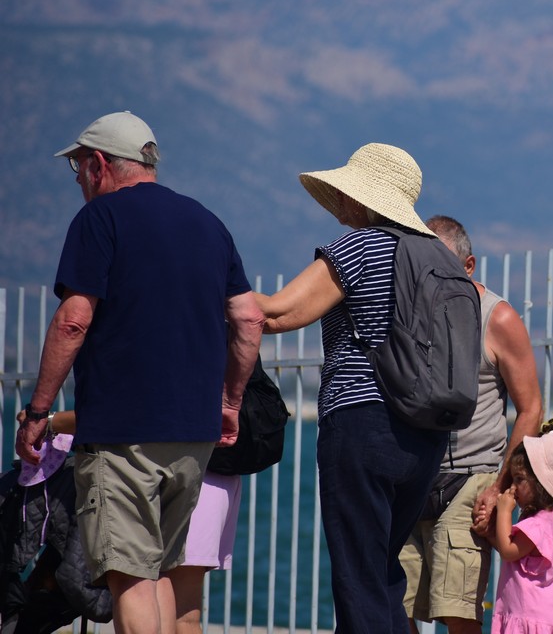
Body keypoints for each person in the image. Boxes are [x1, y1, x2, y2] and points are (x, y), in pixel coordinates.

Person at [15, 111, 263, 634]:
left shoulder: (99, 220)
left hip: (123, 433)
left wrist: (39, 411)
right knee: (159, 575)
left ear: (100, 164)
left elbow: (73, 321)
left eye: (79, 168)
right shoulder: (207, 223)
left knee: (129, 577)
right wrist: (231, 402)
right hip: (193, 436)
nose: (79, 179)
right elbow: (248, 316)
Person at [255, 143, 453, 633]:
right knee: (382, 575)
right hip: (426, 434)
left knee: (359, 580)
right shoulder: (439, 258)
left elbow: (278, 313)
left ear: (365, 199)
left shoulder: (360, 246)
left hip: (363, 422)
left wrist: (205, 289)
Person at [401, 214, 543, 634]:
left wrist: (501, 490)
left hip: (470, 479)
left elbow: (530, 408)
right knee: (397, 607)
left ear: (469, 266)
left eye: (442, 268)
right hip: (411, 479)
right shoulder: (409, 314)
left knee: (458, 613)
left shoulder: (497, 318)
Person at [20, 410, 239, 634]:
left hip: (149, 462)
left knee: (134, 580)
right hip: (200, 464)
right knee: (178, 603)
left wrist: (48, 419)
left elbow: (126, 408)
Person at [484, 426, 553, 634]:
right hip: (533, 618)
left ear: (541, 484)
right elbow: (516, 553)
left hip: (527, 619)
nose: (513, 488)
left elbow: (508, 551)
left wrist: (504, 511)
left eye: (519, 479)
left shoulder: (539, 525)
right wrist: (490, 533)